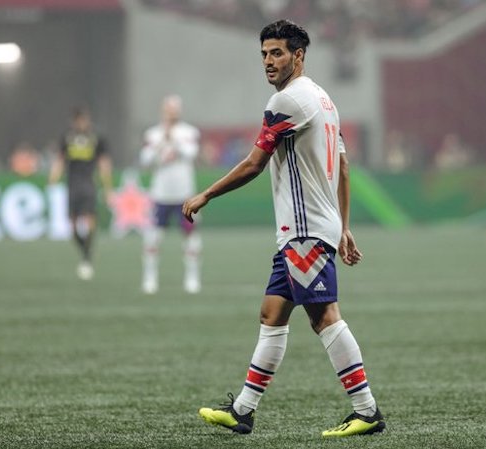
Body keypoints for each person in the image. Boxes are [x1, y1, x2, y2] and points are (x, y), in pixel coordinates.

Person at [182, 19, 385, 438]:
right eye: (264, 54)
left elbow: (254, 163)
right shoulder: (324, 101)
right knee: (272, 314)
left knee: (324, 317)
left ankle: (367, 411)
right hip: (309, 229)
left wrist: (206, 194)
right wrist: (343, 226)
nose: (268, 61)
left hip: (305, 230)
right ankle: (243, 411)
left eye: (277, 53)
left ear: (299, 55)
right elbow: (343, 165)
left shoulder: (288, 101)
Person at [140, 95, 202, 294]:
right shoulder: (153, 134)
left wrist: (173, 140)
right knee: (153, 238)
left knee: (190, 237)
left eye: (174, 109)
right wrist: (161, 142)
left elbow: (191, 153)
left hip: (185, 194)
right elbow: (145, 160)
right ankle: (150, 278)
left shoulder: (189, 132)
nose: (171, 112)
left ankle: (192, 277)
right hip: (161, 195)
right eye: (168, 109)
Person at [48, 106, 113, 280]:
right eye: (79, 120)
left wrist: (107, 187)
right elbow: (60, 160)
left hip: (88, 183)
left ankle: (87, 258)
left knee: (90, 220)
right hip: (72, 185)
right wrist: (53, 178)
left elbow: (104, 163)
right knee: (73, 226)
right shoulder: (67, 137)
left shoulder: (96, 138)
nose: (82, 123)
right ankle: (85, 250)